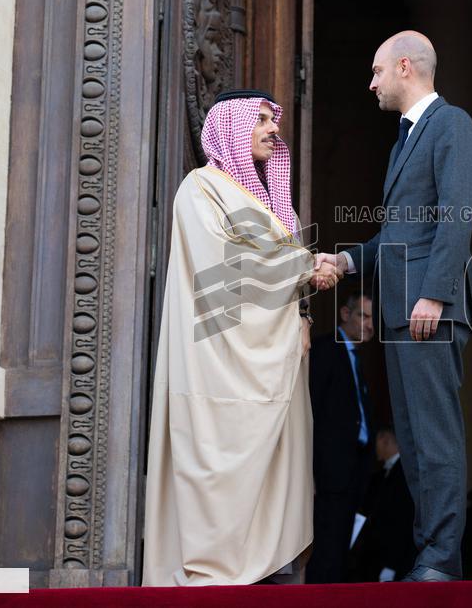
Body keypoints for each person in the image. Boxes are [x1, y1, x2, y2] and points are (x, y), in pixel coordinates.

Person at [142, 90, 341, 586]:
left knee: (281, 479)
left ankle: (274, 571)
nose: (275, 129)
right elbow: (220, 267)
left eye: (275, 121)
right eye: (261, 120)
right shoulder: (201, 189)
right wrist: (304, 265)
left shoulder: (274, 207)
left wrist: (303, 311)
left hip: (277, 368)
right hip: (218, 363)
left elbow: (277, 279)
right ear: (229, 127)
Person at [317, 30, 472, 582]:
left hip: (427, 308)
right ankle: (432, 556)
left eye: (377, 71)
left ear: (405, 67)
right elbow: (397, 236)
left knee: (435, 436)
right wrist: (343, 263)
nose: (372, 83)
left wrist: (434, 293)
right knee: (413, 444)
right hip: (400, 313)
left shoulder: (452, 125)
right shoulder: (402, 141)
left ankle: (440, 559)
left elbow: (456, 216)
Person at [306, 291, 376, 583]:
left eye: (374, 319)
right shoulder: (325, 349)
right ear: (345, 315)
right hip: (329, 472)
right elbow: (313, 408)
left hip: (354, 470)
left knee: (341, 553)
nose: (371, 325)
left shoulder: (358, 360)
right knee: (326, 552)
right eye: (364, 316)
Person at [353, 427, 417, 582]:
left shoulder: (404, 472)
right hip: (379, 557)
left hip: (396, 559)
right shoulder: (383, 474)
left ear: (385, 440)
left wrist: (391, 564)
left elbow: (401, 520)